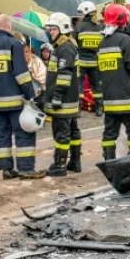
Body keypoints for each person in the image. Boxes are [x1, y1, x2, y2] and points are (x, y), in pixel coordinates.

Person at [0, 14, 46, 180]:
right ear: (9, 26)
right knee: (24, 133)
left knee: (2, 135)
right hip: (16, 100)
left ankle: (6, 169)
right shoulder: (14, 44)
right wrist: (30, 96)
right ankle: (26, 168)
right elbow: (21, 74)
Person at [98, 4, 130, 160]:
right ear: (122, 19)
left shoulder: (102, 43)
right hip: (128, 99)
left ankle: (109, 161)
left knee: (109, 133)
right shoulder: (125, 40)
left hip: (110, 100)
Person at [43, 12, 82, 177]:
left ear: (62, 29)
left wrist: (57, 96)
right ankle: (75, 161)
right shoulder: (64, 47)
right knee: (72, 131)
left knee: (62, 132)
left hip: (63, 100)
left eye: (53, 29)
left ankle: (60, 164)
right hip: (69, 99)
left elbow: (64, 75)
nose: (50, 32)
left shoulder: (65, 48)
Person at [74, 1, 103, 117]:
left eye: (80, 13)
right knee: (96, 85)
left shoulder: (79, 27)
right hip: (95, 62)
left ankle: (78, 109)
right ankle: (99, 108)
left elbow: (73, 42)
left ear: (86, 13)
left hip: (81, 61)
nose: (79, 15)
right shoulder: (99, 27)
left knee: (79, 84)